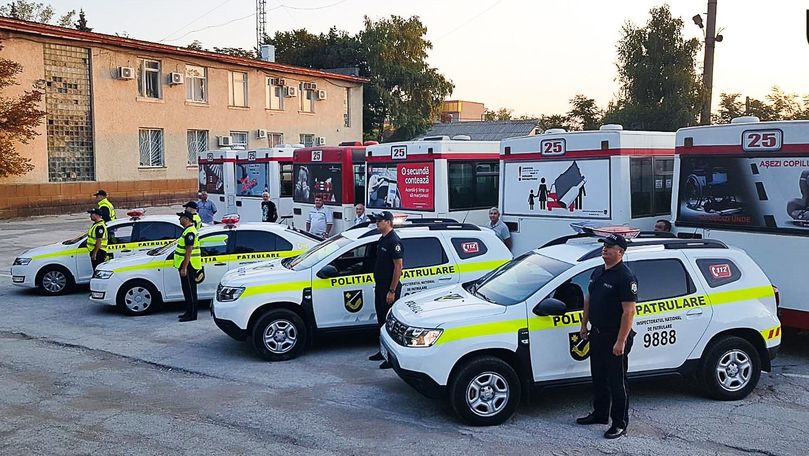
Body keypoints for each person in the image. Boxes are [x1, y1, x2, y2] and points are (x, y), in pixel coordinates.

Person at [577, 233, 638, 439]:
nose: (605, 249)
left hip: (615, 336)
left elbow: (629, 312)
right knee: (599, 378)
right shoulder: (598, 271)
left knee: (617, 382)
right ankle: (600, 413)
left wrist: (621, 341)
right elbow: (589, 297)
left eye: (609, 247)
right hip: (597, 333)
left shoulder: (625, 277)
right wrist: (584, 324)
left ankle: (619, 423)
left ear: (620, 252)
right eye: (604, 245)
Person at [367, 211, 403, 369]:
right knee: (381, 321)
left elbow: (398, 267)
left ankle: (390, 358)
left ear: (388, 222)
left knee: (389, 324)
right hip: (381, 287)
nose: (377, 223)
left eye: (380, 220)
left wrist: (392, 291)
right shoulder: (383, 239)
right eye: (376, 220)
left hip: (389, 288)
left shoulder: (394, 241)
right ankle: (382, 351)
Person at [175, 211, 201, 322]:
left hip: (189, 265)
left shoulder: (190, 232)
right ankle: (188, 312)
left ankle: (192, 315)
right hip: (186, 264)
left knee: (190, 291)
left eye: (181, 217)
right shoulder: (187, 231)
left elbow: (189, 251)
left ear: (186, 219)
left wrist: (184, 267)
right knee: (186, 290)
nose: (179, 219)